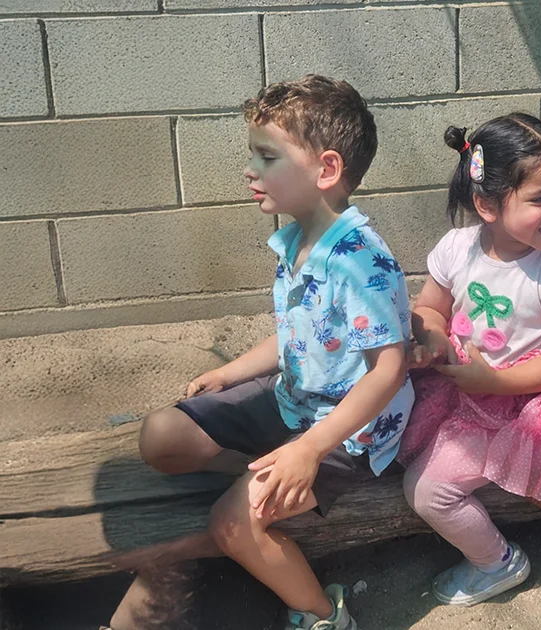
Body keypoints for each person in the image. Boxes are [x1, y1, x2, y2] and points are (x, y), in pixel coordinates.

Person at [136, 75, 414, 630]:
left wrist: (309, 449)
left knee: (230, 525)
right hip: (293, 398)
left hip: (347, 433)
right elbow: (298, 330)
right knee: (160, 436)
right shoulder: (298, 239)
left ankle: (323, 613)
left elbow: (388, 369)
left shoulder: (361, 262)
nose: (250, 170)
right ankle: (268, 469)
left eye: (266, 157)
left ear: (326, 169)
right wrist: (230, 373)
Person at [397, 113, 541, 607]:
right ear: (486, 204)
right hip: (464, 382)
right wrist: (432, 339)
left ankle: (497, 562)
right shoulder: (457, 248)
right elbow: (430, 309)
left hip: (525, 401)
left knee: (427, 492)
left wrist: (492, 381)